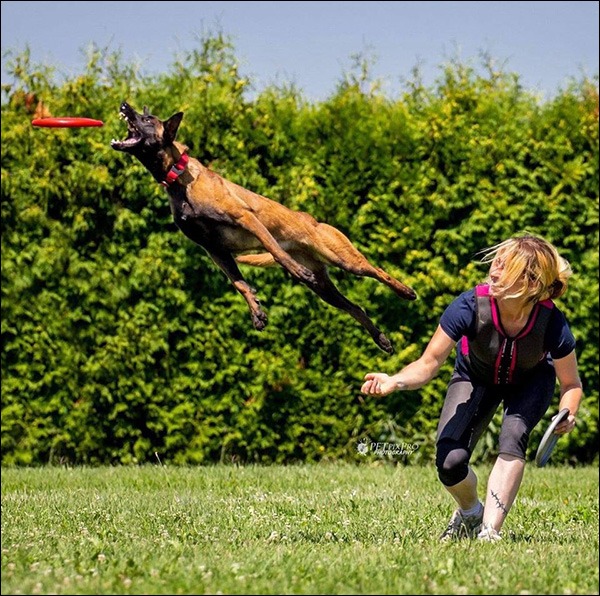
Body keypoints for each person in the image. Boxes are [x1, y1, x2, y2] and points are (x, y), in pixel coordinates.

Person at [360, 234, 582, 542]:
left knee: (513, 436)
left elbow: (571, 383)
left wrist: (567, 412)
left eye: (506, 267)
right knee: (449, 462)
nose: (494, 270)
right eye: (496, 262)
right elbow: (428, 364)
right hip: (475, 376)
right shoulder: (468, 306)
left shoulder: (552, 323)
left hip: (531, 383)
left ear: (531, 284)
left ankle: (490, 531)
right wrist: (393, 380)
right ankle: (469, 512)